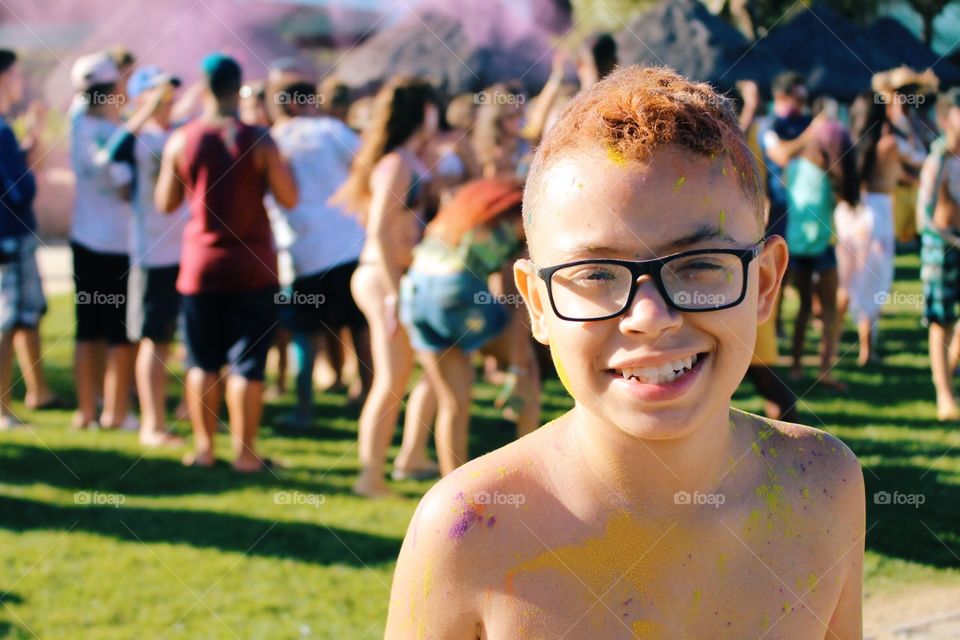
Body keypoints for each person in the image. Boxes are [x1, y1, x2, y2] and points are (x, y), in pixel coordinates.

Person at [386, 66, 865, 638]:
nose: (650, 318)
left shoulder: (825, 487)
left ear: (764, 284)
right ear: (537, 302)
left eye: (699, 266)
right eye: (595, 274)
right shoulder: (467, 532)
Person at [155, 53, 297, 471]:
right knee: (248, 363)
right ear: (239, 88)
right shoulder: (259, 139)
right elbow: (290, 197)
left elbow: (165, 202)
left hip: (200, 267)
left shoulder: (182, 139)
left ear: (204, 87)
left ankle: (203, 449)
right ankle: (246, 454)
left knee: (201, 360)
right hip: (253, 267)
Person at [331, 76, 440, 497]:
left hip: (396, 274)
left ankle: (411, 455)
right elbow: (377, 230)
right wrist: (396, 294)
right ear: (422, 112)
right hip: (382, 276)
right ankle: (368, 476)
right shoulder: (396, 163)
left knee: (436, 367)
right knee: (392, 379)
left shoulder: (409, 158)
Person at [399, 178, 541, 474]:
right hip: (456, 291)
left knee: (453, 402)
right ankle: (532, 475)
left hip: (414, 292)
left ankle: (454, 494)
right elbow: (516, 297)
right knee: (529, 376)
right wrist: (516, 367)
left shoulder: (466, 209)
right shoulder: (524, 217)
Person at [264, 62, 370, 427]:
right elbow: (367, 164)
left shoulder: (271, 140)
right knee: (359, 326)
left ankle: (304, 410)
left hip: (302, 251)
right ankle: (369, 400)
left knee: (305, 334)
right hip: (348, 243)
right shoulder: (330, 130)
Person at [109, 65, 188, 447]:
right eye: (158, 95)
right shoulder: (135, 139)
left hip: (184, 251)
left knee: (180, 338)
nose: (166, 102)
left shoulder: (178, 134)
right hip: (152, 252)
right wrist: (144, 111)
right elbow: (114, 153)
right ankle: (150, 424)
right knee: (153, 340)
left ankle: (184, 411)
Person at [69, 52, 137, 430]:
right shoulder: (113, 135)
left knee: (87, 329)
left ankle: (86, 410)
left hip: (84, 239)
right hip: (114, 243)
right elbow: (123, 185)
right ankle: (114, 412)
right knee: (116, 333)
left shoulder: (76, 119)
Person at [779, 106, 859, 389]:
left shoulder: (794, 166)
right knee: (828, 312)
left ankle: (797, 367)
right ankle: (825, 370)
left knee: (802, 309)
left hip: (797, 247)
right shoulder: (827, 175)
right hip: (823, 247)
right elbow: (843, 200)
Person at [0, 49, 58, 429]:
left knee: (23, 316)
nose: (21, 83)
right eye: (17, 75)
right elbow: (17, 190)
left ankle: (30, 394)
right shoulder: (1, 128)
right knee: (5, 321)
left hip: (13, 236)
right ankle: (1, 409)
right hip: (8, 238)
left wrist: (32, 140)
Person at [835, 93, 900, 367]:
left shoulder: (847, 143)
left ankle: (832, 341)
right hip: (877, 213)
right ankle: (866, 351)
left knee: (847, 282)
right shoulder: (890, 144)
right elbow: (915, 163)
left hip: (849, 214)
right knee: (872, 282)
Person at [918, 89, 960, 421]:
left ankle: (946, 372)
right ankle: (944, 394)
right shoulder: (939, 158)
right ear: (947, 119)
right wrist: (950, 239)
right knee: (941, 320)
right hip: (940, 247)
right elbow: (924, 215)